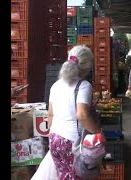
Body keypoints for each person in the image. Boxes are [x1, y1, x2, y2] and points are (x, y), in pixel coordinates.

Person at [47, 45, 101, 179]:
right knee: (77, 176)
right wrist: (98, 133)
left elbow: (50, 114)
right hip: (72, 142)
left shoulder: (56, 85)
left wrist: (52, 134)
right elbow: (82, 115)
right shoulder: (83, 86)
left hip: (55, 138)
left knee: (63, 175)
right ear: (87, 67)